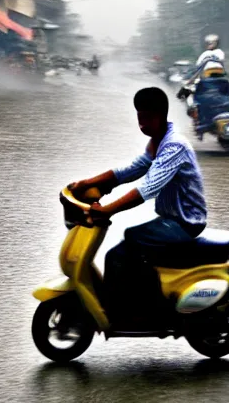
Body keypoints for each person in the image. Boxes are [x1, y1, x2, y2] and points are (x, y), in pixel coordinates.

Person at [69, 87, 207, 326]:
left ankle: (132, 310)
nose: (142, 124)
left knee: (125, 246)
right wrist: (88, 183)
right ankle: (133, 303)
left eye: (147, 118)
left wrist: (108, 209)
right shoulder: (157, 142)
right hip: (171, 219)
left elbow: (148, 187)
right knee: (127, 245)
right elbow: (132, 169)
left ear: (161, 115)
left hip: (185, 222)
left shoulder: (174, 146)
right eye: (139, 118)